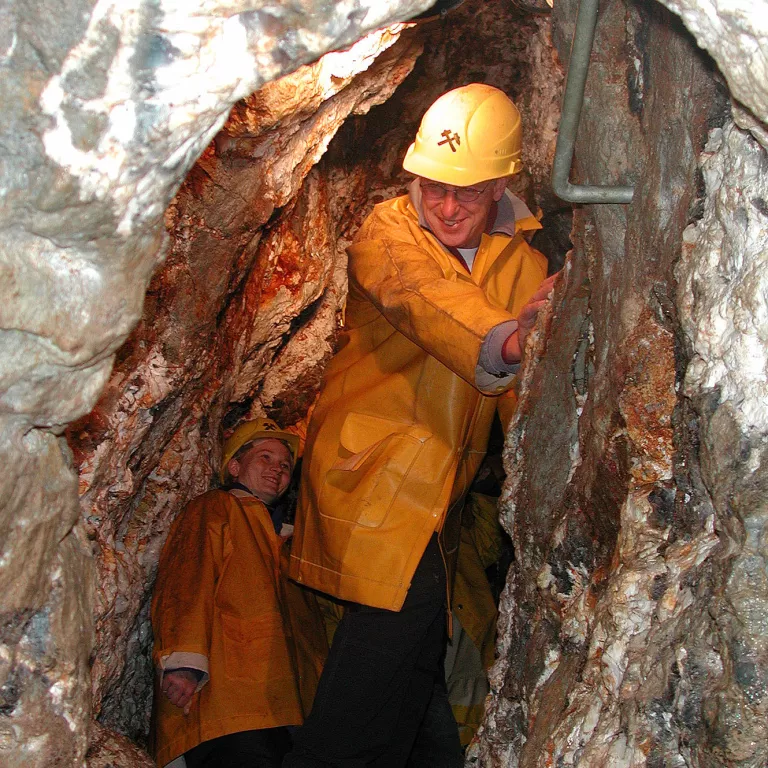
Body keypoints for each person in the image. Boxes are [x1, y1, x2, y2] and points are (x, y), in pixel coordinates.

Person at [285, 83, 557, 767]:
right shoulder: (388, 232)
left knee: (411, 665)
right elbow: (426, 302)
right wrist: (514, 339)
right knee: (392, 642)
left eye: (466, 192)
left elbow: (517, 398)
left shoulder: (525, 265)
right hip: (371, 478)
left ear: (502, 182)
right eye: (431, 186)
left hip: (440, 501)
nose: (444, 206)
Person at [151, 419, 327, 768]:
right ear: (235, 466)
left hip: (285, 709)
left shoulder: (289, 545)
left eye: (285, 465)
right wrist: (183, 664)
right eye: (264, 457)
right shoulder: (216, 508)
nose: (276, 470)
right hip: (229, 704)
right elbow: (187, 581)